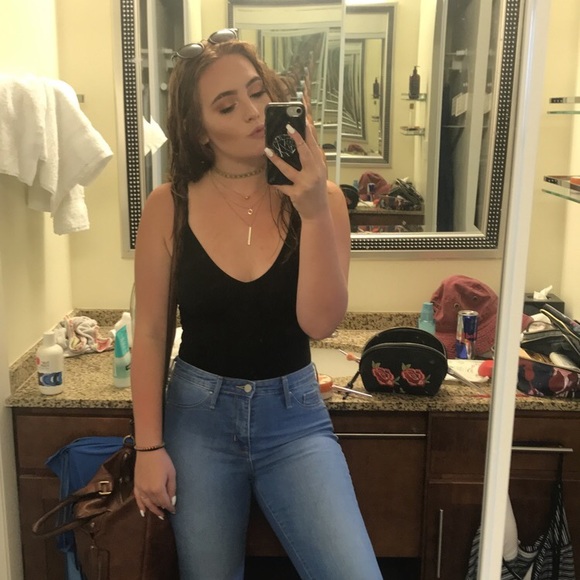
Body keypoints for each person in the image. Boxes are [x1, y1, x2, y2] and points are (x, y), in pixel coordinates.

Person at [130, 28, 383, 579]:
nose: (251, 111)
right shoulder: (167, 206)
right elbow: (149, 331)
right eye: (227, 105)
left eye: (256, 92)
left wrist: (313, 209)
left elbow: (319, 322)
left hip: (295, 420)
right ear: (199, 131)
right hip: (197, 422)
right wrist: (148, 449)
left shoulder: (325, 199)